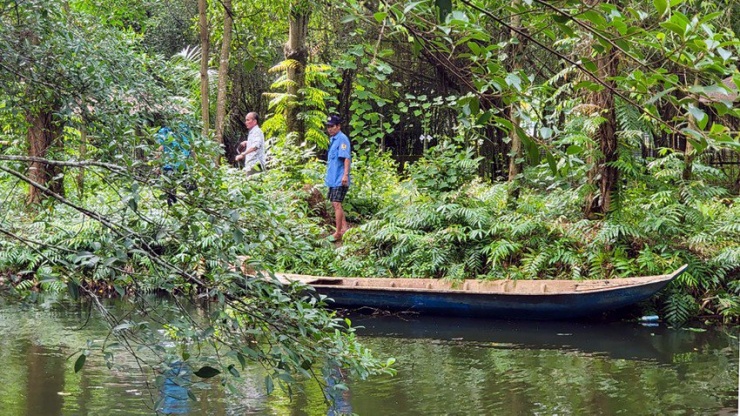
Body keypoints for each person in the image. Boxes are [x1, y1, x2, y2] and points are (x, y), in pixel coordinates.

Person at [324, 115, 351, 241]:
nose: (330, 129)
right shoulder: (333, 139)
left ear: (338, 126)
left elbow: (346, 158)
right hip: (333, 177)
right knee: (336, 204)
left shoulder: (342, 139)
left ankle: (338, 232)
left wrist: (345, 175)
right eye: (328, 126)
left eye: (332, 126)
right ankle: (344, 228)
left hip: (340, 178)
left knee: (337, 203)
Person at [156, 124, 194, 206]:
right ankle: (196, 207)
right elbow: (191, 146)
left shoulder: (165, 131)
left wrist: (157, 165)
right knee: (191, 190)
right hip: (181, 165)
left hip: (172, 165)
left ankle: (173, 209)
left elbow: (160, 149)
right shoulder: (184, 128)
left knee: (171, 192)